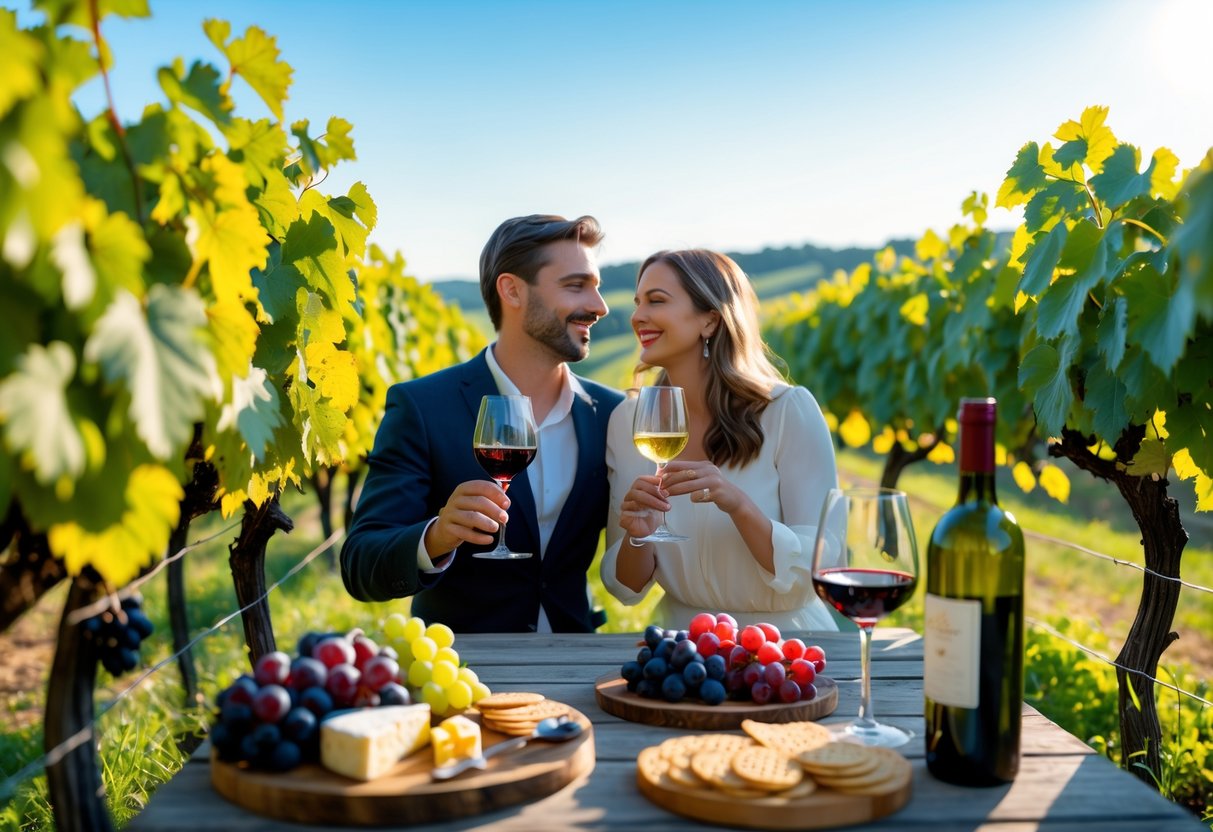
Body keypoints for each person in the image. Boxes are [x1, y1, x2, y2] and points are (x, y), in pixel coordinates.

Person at [341, 214, 624, 633]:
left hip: (575, 660)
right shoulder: (423, 406)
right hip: (465, 671)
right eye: (575, 285)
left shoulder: (611, 413)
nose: (599, 306)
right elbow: (361, 563)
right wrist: (436, 536)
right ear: (512, 290)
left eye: (597, 286)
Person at [601, 249, 840, 632]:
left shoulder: (787, 411)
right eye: (637, 302)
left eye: (656, 300)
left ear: (710, 320)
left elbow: (818, 567)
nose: (637, 316)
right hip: (682, 649)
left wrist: (738, 505)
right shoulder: (629, 421)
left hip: (785, 647)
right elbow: (626, 587)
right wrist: (637, 536)